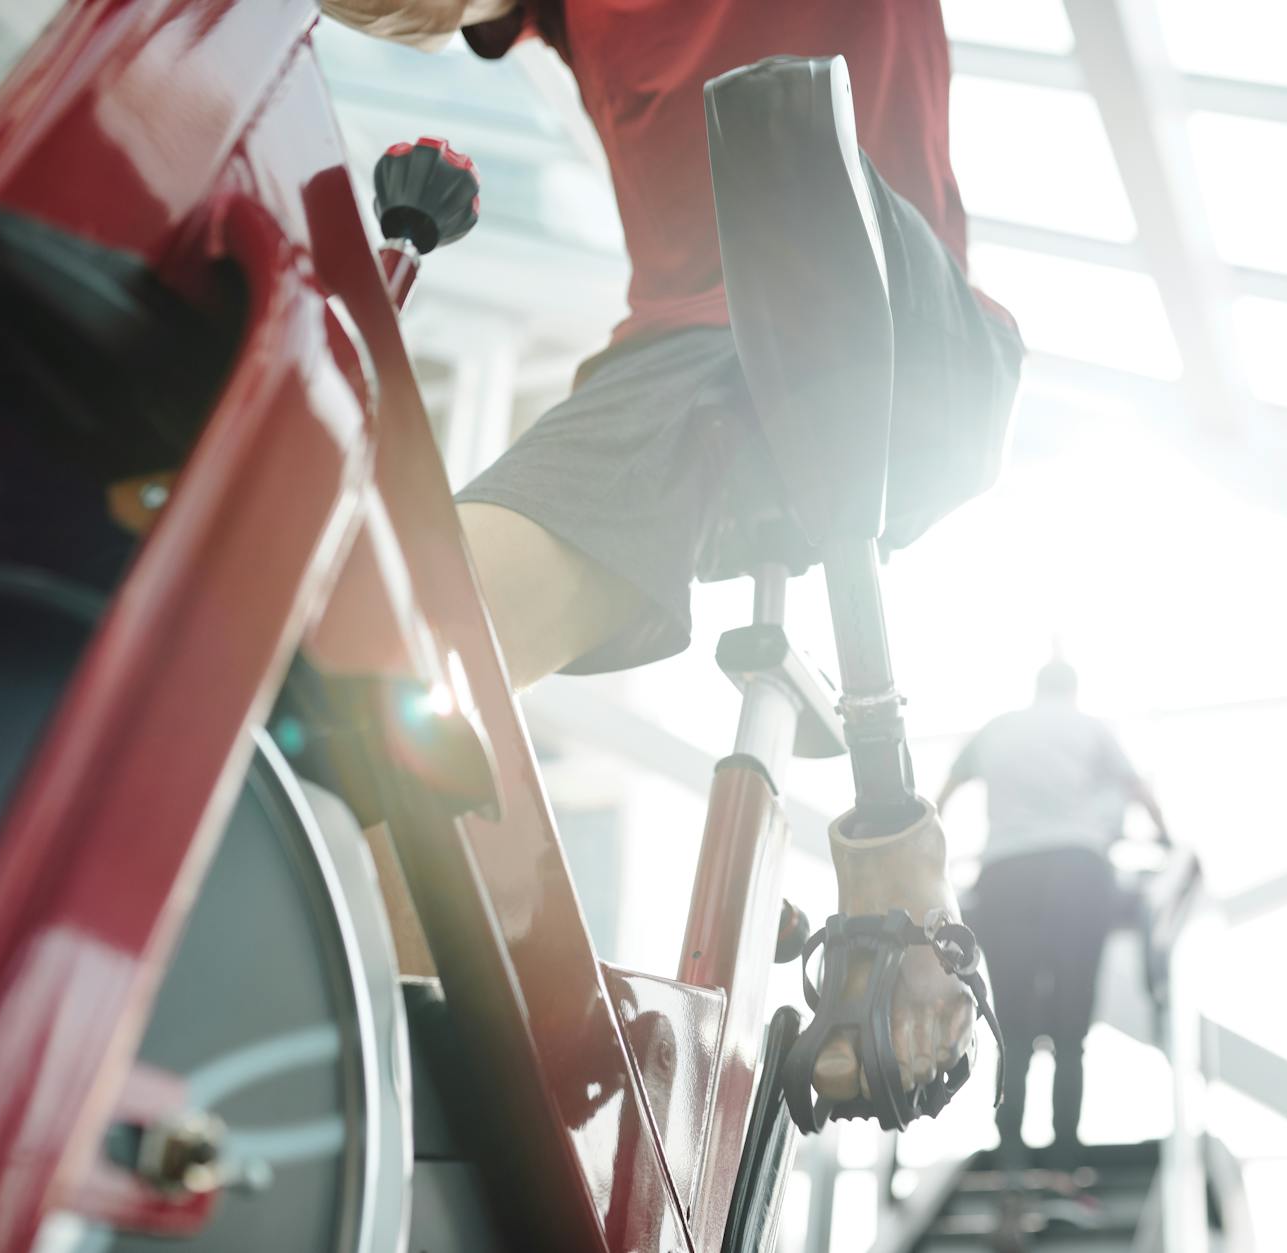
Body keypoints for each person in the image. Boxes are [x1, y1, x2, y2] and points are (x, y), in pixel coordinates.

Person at [319, 0, 1024, 1108]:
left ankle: (907, 880)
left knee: (787, 145)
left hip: (897, 330)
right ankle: (415, 1079)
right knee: (374, 663)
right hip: (678, 365)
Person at [936, 660, 1167, 1166]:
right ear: (1073, 689)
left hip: (1005, 873)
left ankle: (1010, 1148)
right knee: (1070, 1024)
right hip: (1078, 872)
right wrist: (1166, 840)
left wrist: (931, 854)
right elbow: (1137, 790)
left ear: (1037, 687)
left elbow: (947, 792)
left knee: (1013, 1024)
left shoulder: (999, 727)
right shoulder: (1089, 728)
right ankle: (1065, 1150)